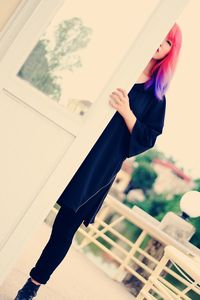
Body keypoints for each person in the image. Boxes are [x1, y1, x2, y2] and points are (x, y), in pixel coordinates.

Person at [14, 22, 182, 300]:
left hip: (99, 167)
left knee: (63, 230)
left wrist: (127, 111)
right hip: (71, 150)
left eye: (167, 42)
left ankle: (32, 284)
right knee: (27, 201)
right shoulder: (122, 69)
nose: (159, 44)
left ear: (170, 52)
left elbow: (146, 139)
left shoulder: (156, 96)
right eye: (159, 36)